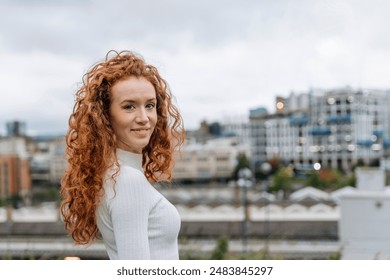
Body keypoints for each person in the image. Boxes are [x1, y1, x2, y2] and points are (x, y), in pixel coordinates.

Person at [60, 50, 185, 260]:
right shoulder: (127, 180)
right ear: (105, 116)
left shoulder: (112, 174)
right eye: (129, 107)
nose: (144, 118)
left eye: (150, 105)